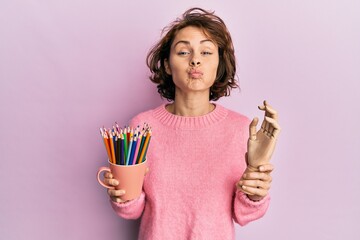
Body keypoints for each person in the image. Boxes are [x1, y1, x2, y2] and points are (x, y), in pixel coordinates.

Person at [101, 7, 281, 240]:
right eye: (184, 52)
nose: (195, 59)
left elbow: (243, 214)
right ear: (167, 65)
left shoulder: (241, 130)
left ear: (219, 65)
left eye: (206, 52)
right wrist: (121, 193)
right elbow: (132, 210)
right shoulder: (141, 128)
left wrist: (256, 185)